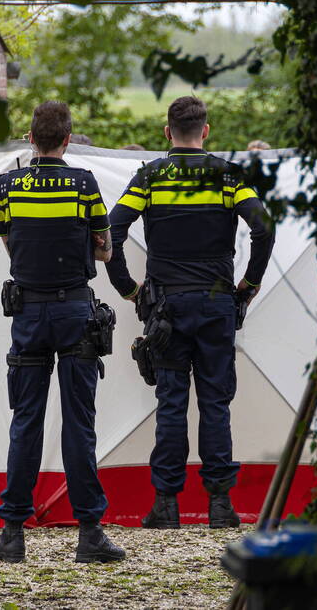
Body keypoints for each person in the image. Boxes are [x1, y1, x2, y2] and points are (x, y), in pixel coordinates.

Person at [106, 96, 275, 529]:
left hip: (165, 308)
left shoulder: (150, 176)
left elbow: (112, 229)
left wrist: (127, 287)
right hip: (218, 303)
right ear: (206, 130)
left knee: (171, 403)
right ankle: (220, 506)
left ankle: (166, 505)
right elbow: (263, 226)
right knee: (216, 403)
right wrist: (249, 286)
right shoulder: (228, 176)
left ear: (167, 132)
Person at [0, 101, 126, 563]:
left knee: (25, 421)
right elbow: (105, 252)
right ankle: (90, 533)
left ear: (31, 138)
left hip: (27, 312)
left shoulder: (8, 184)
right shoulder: (84, 183)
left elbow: (9, 244)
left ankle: (11, 534)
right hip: (74, 312)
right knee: (79, 423)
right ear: (67, 139)